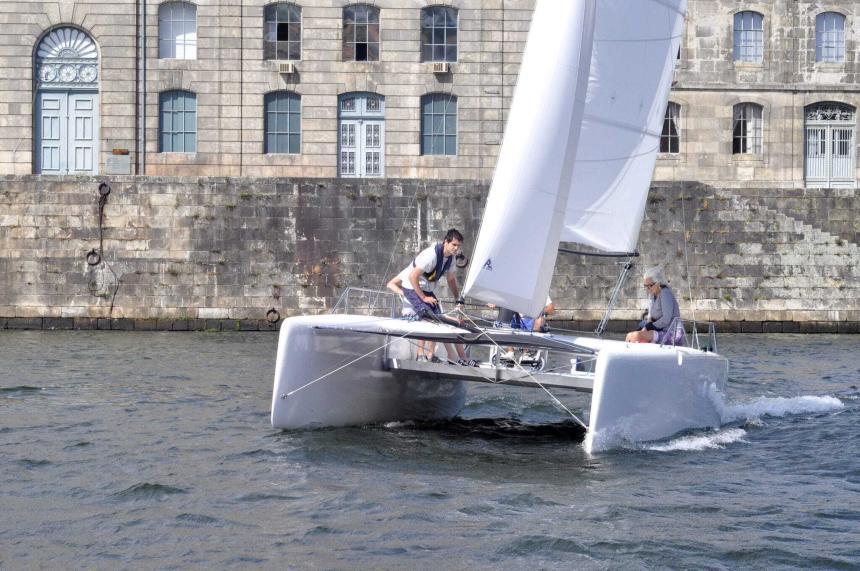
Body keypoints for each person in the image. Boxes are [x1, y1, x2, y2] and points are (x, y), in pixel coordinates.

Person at [392, 229, 475, 365]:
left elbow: (451, 279)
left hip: (427, 290)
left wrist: (458, 299)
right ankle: (423, 354)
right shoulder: (431, 255)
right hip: (412, 287)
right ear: (446, 242)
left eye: (458, 246)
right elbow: (412, 277)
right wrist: (424, 298)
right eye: (454, 245)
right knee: (431, 317)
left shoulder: (451, 258)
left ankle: (460, 357)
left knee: (442, 320)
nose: (456, 248)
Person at [626, 266, 681, 344]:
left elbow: (666, 319)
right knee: (630, 336)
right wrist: (644, 327)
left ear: (658, 283)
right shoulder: (652, 295)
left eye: (650, 285)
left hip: (672, 334)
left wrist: (650, 326)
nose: (648, 289)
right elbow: (650, 318)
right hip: (658, 330)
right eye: (645, 286)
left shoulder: (665, 293)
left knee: (637, 336)